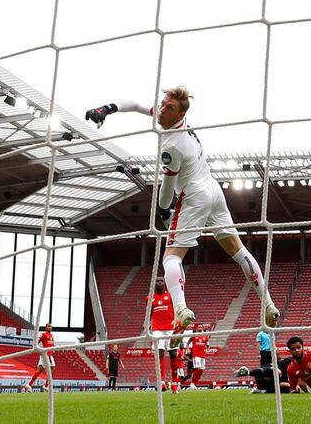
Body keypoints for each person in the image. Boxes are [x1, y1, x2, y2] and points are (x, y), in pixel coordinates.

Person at [85, 87, 279, 331]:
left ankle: (181, 310)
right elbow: (135, 105)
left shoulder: (172, 146)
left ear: (180, 115)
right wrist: (108, 108)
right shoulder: (178, 123)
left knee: (171, 257)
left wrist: (163, 209)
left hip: (194, 196)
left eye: (170, 108)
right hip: (213, 190)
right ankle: (268, 303)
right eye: (163, 104)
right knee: (238, 251)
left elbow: (167, 187)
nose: (163, 110)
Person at [149, 279, 178, 392]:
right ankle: (161, 382)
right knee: (159, 353)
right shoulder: (150, 298)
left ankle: (175, 383)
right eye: (157, 281)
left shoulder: (170, 296)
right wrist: (145, 324)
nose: (160, 282)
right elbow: (149, 313)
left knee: (173, 353)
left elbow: (176, 309)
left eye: (161, 281)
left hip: (171, 328)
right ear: (154, 284)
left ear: (165, 283)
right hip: (157, 329)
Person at [25, 323, 56, 392]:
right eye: (48, 326)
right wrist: (39, 349)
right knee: (52, 368)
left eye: (51, 326)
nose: (50, 328)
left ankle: (29, 385)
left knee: (39, 370)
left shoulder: (52, 335)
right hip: (47, 354)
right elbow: (37, 342)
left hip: (47, 354)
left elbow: (52, 344)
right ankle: (46, 386)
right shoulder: (43, 334)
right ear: (46, 327)